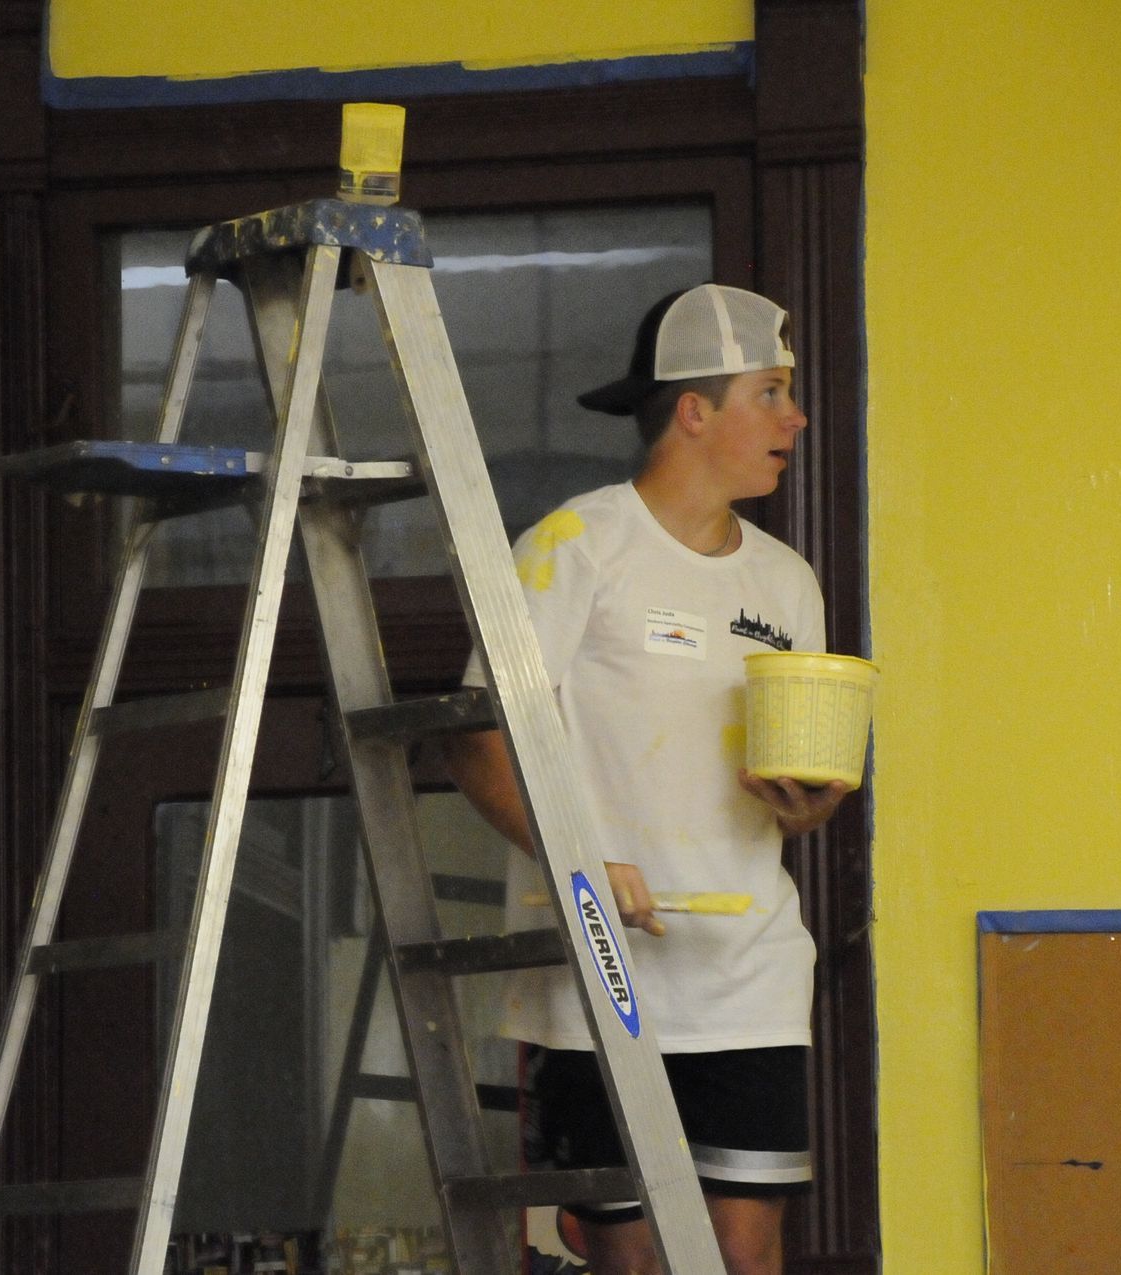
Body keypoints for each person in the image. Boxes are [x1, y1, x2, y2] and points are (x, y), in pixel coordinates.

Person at [443, 283, 851, 1275]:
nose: (796, 418)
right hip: (596, 976)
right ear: (694, 411)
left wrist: (812, 800)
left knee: (743, 1254)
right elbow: (475, 739)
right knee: (632, 1261)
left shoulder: (786, 580)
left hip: (746, 973)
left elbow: (797, 764)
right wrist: (580, 860)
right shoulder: (576, 546)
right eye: (771, 393)